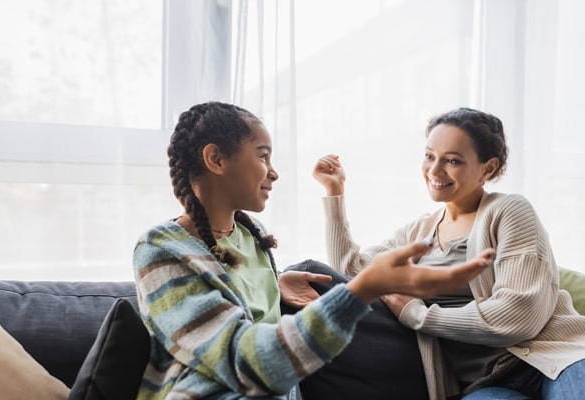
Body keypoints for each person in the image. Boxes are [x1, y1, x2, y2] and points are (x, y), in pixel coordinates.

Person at [132, 101, 495, 400]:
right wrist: (363, 289)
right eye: (262, 156)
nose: (273, 173)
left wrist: (274, 281)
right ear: (216, 160)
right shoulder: (161, 250)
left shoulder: (250, 233)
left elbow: (244, 298)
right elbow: (248, 361)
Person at [313, 107, 585, 400]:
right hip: (486, 385)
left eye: (452, 160)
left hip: (556, 358)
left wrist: (417, 314)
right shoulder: (418, 232)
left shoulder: (509, 211)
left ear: (488, 168)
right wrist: (334, 193)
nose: (434, 170)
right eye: (430, 156)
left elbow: (518, 316)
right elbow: (351, 270)